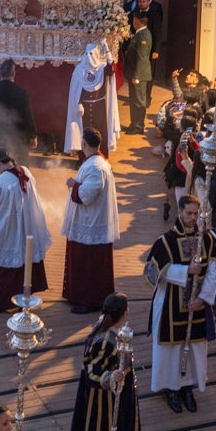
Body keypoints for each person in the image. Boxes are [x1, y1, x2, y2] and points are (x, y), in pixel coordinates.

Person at [59, 293, 143, 431]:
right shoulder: (105, 340)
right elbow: (91, 371)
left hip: (121, 398)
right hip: (101, 404)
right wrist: (111, 376)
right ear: (124, 312)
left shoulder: (117, 333)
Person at [144, 193, 216, 414]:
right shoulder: (165, 241)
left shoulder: (207, 239)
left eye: (196, 213)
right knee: (171, 349)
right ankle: (171, 388)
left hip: (197, 306)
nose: (193, 217)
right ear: (179, 212)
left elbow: (214, 271)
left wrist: (203, 299)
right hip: (170, 305)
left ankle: (188, 387)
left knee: (194, 347)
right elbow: (153, 273)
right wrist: (187, 271)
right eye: (189, 213)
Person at [0, 148, 51, 313]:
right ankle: (24, 297)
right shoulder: (26, 172)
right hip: (28, 225)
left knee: (7, 263)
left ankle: (3, 301)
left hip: (9, 228)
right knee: (25, 259)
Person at [61, 128, 120, 314]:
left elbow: (87, 195)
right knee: (86, 263)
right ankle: (78, 296)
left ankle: (90, 300)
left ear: (84, 144)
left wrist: (73, 185)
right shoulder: (96, 162)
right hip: (89, 222)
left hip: (91, 223)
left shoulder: (96, 166)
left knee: (89, 265)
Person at [0, 61, 36, 164]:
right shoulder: (21, 92)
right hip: (19, 137)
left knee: (0, 166)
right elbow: (28, 116)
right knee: (21, 168)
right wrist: (32, 136)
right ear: (14, 73)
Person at [122, 12, 153, 134]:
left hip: (139, 74)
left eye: (134, 19)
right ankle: (134, 123)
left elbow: (141, 57)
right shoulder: (139, 34)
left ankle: (139, 126)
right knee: (134, 99)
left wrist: (136, 75)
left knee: (139, 100)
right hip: (135, 73)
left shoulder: (144, 35)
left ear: (138, 21)